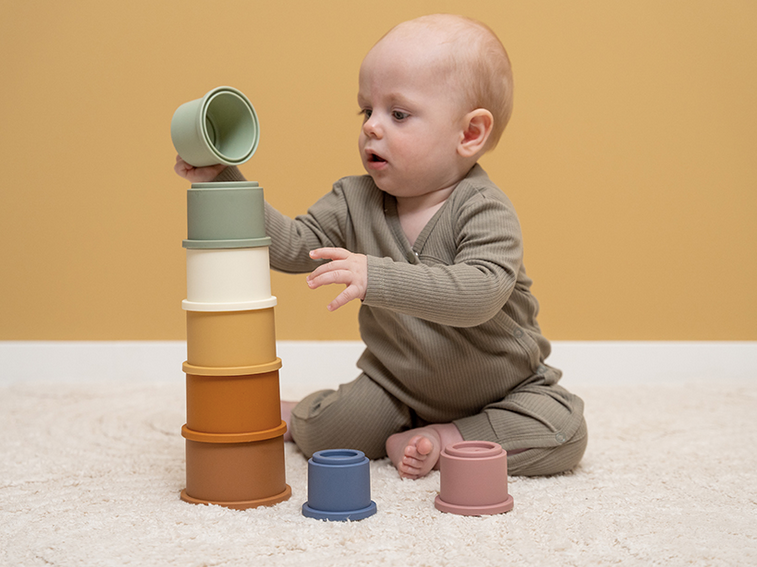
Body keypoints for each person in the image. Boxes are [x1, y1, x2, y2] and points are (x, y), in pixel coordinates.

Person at [175, 14, 587, 479]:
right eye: (365, 110)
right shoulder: (354, 201)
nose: (372, 126)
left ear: (469, 134)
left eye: (398, 114)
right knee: (330, 432)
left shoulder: (484, 207)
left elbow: (481, 294)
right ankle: (300, 412)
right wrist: (224, 178)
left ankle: (451, 436)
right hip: (396, 385)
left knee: (565, 430)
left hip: (506, 388)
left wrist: (376, 276)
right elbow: (293, 246)